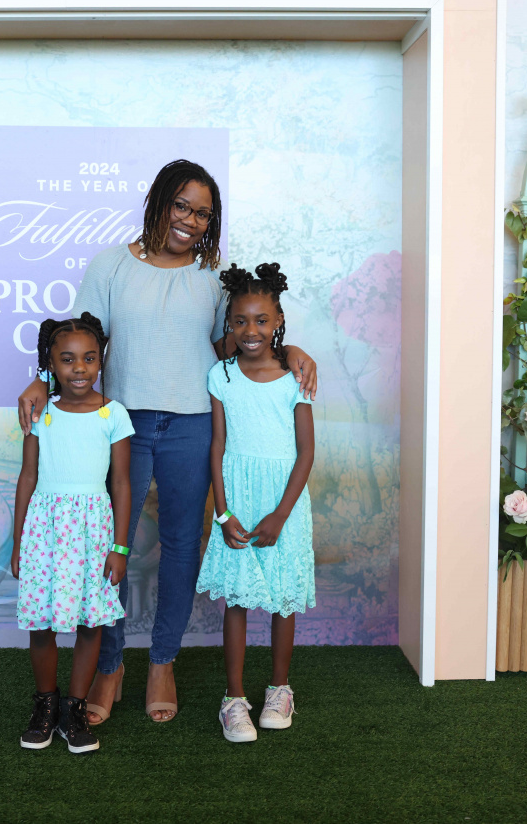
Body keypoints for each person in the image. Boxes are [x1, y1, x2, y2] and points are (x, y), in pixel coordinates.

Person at [18, 159, 318, 724]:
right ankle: (110, 665)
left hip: (192, 423)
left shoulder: (214, 277)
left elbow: (239, 342)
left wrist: (290, 350)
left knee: (182, 544)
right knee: (112, 543)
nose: (190, 220)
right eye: (182, 205)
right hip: (123, 424)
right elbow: (77, 337)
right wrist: (40, 377)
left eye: (203, 213)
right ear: (158, 202)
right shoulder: (110, 265)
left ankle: (162, 661)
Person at [195, 263, 316, 743]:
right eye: (241, 321)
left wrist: (281, 515)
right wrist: (223, 513)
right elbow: (217, 447)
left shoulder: (294, 378)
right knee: (238, 600)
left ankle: (280, 690)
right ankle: (234, 699)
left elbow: (306, 452)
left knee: (283, 599)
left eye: (262, 320)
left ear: (278, 320)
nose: (251, 330)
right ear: (228, 323)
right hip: (238, 500)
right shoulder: (221, 376)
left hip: (284, 502)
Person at [11, 313, 133, 754]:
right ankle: (45, 706)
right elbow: (28, 476)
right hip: (45, 530)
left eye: (89, 358)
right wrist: (18, 541)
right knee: (41, 624)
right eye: (67, 359)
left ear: (101, 361)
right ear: (50, 364)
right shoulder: (40, 412)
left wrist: (120, 547)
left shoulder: (113, 414)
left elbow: (121, 483)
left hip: (93, 533)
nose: (79, 368)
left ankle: (74, 711)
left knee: (90, 622)